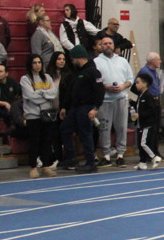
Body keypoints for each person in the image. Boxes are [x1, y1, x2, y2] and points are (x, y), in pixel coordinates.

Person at [59, 45, 104, 174]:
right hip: (75, 107)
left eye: (73, 59)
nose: (72, 61)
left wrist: (95, 108)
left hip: (86, 107)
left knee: (85, 134)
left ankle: (91, 162)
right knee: (65, 129)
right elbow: (71, 91)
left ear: (79, 58)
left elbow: (100, 91)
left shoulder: (93, 72)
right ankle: (71, 157)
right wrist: (65, 106)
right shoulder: (77, 72)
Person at [94, 35, 134, 166]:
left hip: (121, 99)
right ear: (101, 46)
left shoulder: (122, 61)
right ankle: (106, 155)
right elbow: (95, 80)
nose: (107, 45)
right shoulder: (96, 62)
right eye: (104, 43)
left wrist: (123, 86)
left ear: (113, 45)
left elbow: (130, 79)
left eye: (110, 43)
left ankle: (120, 154)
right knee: (104, 128)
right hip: (105, 100)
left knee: (121, 127)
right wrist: (105, 86)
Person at [20, 53, 59, 178]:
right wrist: (45, 95)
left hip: (47, 114)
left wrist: (40, 92)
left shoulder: (47, 77)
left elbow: (54, 93)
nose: (37, 65)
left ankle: (46, 166)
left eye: (39, 62)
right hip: (33, 115)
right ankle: (33, 167)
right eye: (34, 63)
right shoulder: (25, 79)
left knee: (47, 141)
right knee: (34, 141)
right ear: (30, 64)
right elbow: (30, 96)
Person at [130, 72, 161, 169]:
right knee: (140, 144)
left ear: (144, 84)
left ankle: (154, 157)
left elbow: (151, 110)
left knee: (143, 143)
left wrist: (140, 114)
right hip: (140, 124)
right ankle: (142, 162)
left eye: (138, 82)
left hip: (147, 124)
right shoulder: (140, 95)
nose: (136, 84)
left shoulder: (148, 96)